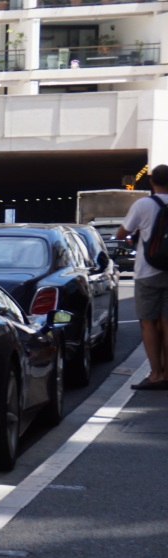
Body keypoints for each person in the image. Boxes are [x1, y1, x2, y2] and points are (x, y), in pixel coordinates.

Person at [117, 164, 168, 390]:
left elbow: (122, 232)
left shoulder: (143, 204)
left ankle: (156, 374)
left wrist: (132, 234)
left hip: (147, 271)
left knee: (148, 323)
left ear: (151, 182)